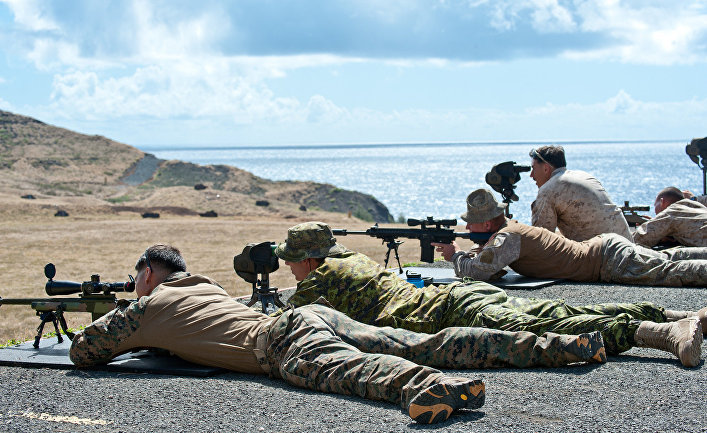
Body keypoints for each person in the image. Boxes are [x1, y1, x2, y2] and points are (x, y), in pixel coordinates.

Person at [70, 245, 605, 425]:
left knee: (349, 370)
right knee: (418, 340)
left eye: (137, 278)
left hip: (279, 342)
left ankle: (429, 387)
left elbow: (84, 350)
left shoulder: (150, 304)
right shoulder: (205, 286)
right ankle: (561, 346)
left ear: (147, 274)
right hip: (311, 317)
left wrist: (131, 314)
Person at [273, 222, 704, 368]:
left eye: (292, 259)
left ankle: (660, 334)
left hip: (446, 316)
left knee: (544, 325)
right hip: (459, 298)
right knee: (553, 309)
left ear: (308, 261)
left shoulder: (320, 279)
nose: (289, 266)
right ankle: (672, 311)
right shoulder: (352, 262)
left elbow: (281, 319)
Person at [529, 145, 632, 242]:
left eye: (533, 168)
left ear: (546, 168)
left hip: (604, 254)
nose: (531, 175)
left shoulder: (549, 189)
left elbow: (540, 239)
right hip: (627, 245)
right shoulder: (583, 176)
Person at [633, 186, 707, 248]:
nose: (655, 212)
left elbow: (638, 239)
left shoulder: (672, 212)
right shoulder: (697, 207)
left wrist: (647, 226)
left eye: (655, 205)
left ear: (662, 202)